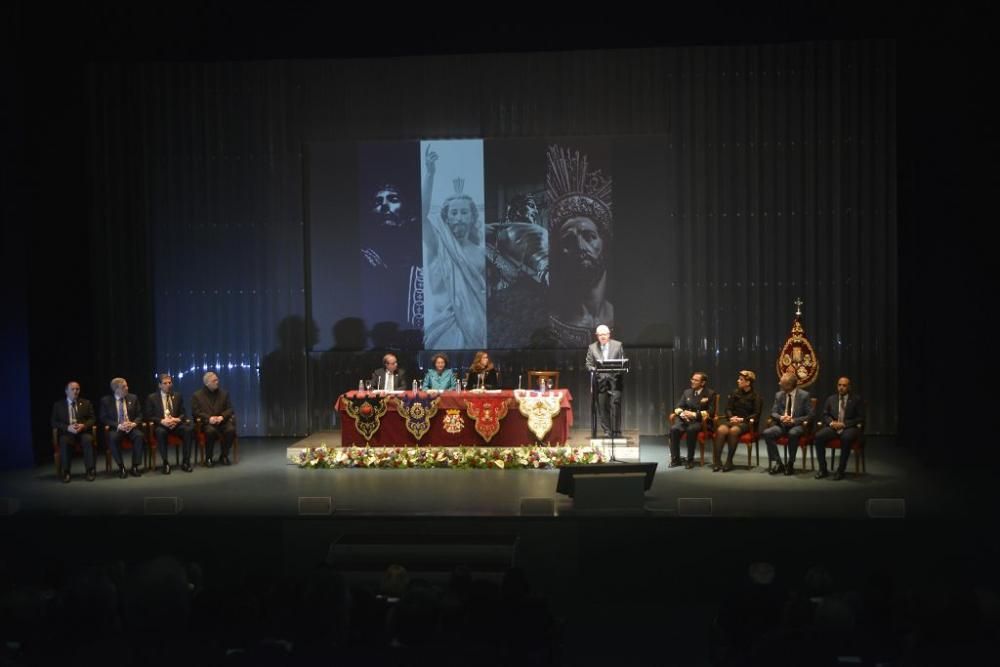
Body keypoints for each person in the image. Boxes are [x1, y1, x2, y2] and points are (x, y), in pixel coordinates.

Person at [546, 144, 614, 348]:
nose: (580, 246)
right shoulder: (553, 321)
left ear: (604, 243)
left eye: (589, 236)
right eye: (568, 240)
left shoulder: (615, 313)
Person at [421, 145, 487, 349]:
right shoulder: (437, 244)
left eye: (464, 212)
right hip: (441, 326)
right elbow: (421, 215)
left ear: (472, 216)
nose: (459, 217)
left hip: (475, 328)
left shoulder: (480, 253)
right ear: (446, 217)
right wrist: (430, 173)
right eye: (454, 212)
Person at [360, 181, 422, 328]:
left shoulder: (424, 256)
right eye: (378, 202)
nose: (384, 206)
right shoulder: (364, 258)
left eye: (393, 200)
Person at [813, 377, 866, 480]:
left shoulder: (856, 399)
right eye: (839, 385)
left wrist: (844, 424)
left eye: (844, 385)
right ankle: (823, 469)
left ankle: (840, 471)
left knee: (846, 438)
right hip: (834, 427)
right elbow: (825, 415)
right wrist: (832, 423)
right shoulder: (831, 399)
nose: (841, 388)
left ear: (849, 387)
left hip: (849, 427)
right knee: (818, 437)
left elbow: (861, 418)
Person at [762, 372, 813, 475]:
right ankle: (778, 462)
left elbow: (810, 415)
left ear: (789, 385)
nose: (779, 383)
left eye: (782, 382)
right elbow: (773, 412)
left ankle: (790, 463)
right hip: (782, 425)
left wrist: (794, 420)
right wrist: (781, 417)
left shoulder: (804, 395)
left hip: (797, 426)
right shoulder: (779, 395)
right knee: (767, 433)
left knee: (793, 433)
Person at [713, 371, 763, 472]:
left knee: (734, 431)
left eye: (741, 379)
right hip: (733, 420)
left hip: (746, 423)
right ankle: (717, 461)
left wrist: (742, 419)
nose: (738, 381)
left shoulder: (756, 396)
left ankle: (729, 461)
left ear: (748, 382)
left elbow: (756, 414)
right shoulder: (734, 393)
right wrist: (731, 417)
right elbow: (727, 409)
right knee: (721, 429)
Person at [145, 373, 194, 474]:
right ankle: (166, 463)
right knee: (160, 432)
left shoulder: (177, 395)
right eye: (165, 383)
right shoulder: (152, 398)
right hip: (162, 426)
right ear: (159, 385)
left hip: (176, 425)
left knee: (188, 430)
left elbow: (183, 413)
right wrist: (162, 421)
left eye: (170, 382)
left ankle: (186, 462)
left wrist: (177, 419)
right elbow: (148, 416)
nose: (168, 385)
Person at [50, 381, 97, 483]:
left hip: (82, 432)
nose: (75, 391)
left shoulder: (86, 403)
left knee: (88, 439)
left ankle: (90, 470)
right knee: (63, 441)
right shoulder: (58, 405)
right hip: (68, 433)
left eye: (77, 389)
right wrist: (67, 427)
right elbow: (54, 422)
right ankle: (66, 472)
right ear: (66, 391)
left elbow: (93, 419)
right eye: (73, 389)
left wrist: (84, 425)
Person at [99, 377, 146, 478]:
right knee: (112, 438)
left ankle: (135, 466)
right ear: (116, 389)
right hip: (117, 428)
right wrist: (118, 425)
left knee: (139, 436)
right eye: (124, 387)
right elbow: (103, 418)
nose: (127, 388)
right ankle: (121, 467)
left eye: (127, 385)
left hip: (131, 427)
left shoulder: (133, 398)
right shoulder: (106, 401)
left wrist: (133, 423)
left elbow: (140, 415)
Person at [669, 372, 717, 469]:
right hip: (685, 420)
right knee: (674, 429)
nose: (693, 381)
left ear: (702, 383)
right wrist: (682, 414)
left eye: (696, 380)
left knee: (691, 429)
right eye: (692, 379)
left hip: (701, 422)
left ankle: (690, 460)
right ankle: (676, 459)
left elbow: (711, 412)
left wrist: (694, 415)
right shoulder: (687, 392)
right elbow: (678, 407)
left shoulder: (710, 394)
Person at [585, 324, 624, 437]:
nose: (603, 336)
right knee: (602, 408)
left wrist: (615, 374)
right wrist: (594, 370)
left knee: (615, 406)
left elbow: (622, 363)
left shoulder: (618, 345)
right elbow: (588, 364)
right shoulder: (592, 348)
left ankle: (616, 431)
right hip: (600, 382)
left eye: (605, 334)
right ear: (597, 336)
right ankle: (607, 431)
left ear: (609, 334)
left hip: (615, 382)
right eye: (600, 335)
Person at [191, 371, 236, 466]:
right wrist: (209, 418)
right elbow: (196, 413)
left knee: (231, 430)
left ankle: (224, 455)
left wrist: (222, 417)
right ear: (207, 383)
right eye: (214, 380)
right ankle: (209, 458)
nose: (217, 382)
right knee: (210, 431)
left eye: (217, 380)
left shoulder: (224, 394)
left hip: (222, 422)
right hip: (207, 423)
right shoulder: (197, 395)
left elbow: (230, 409)